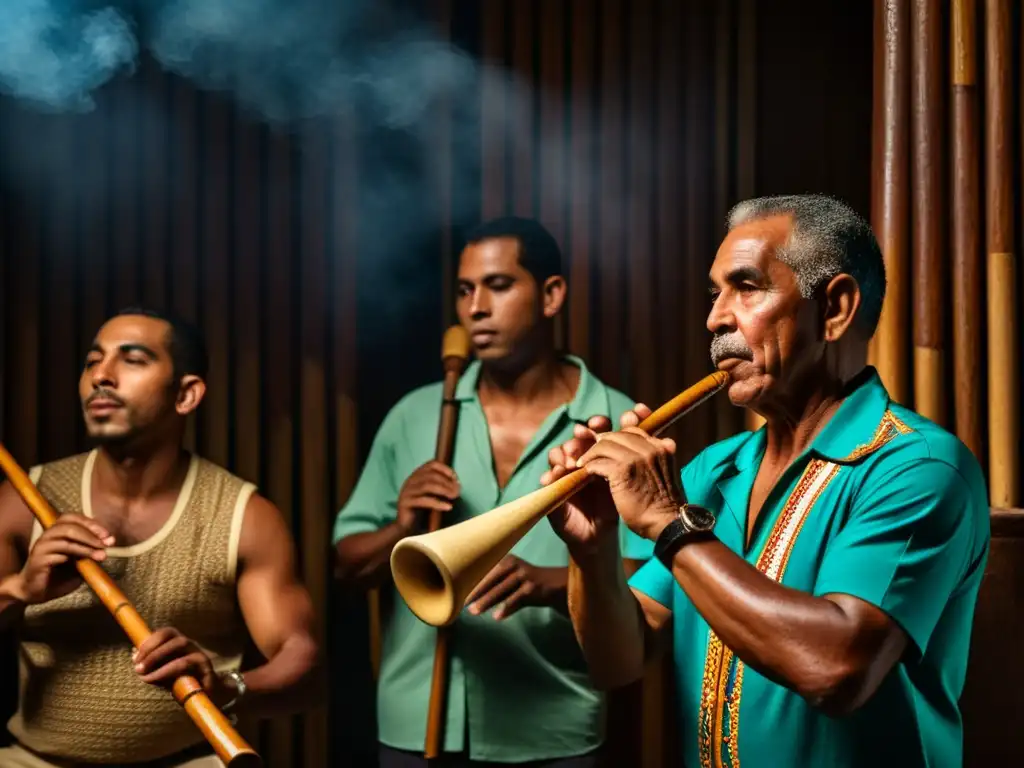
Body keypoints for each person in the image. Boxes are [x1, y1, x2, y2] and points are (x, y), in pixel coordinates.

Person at [543, 195, 990, 768]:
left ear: (834, 308)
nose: (716, 318)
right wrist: (594, 548)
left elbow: (835, 670)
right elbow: (618, 662)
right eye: (715, 293)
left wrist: (667, 524)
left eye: (747, 287)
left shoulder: (921, 468)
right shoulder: (713, 468)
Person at [333, 216, 652, 767]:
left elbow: (661, 574)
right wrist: (403, 527)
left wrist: (558, 582)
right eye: (464, 290)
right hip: (414, 727)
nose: (475, 307)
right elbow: (346, 567)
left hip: (553, 727)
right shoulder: (414, 417)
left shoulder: (618, 424)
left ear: (552, 295)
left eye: (499, 286)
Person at [0, 308, 321, 768]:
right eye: (92, 362)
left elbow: (305, 667)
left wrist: (226, 687)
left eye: (132, 360)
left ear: (187, 394)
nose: (101, 377)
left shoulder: (244, 516)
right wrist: (19, 589)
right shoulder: (23, 500)